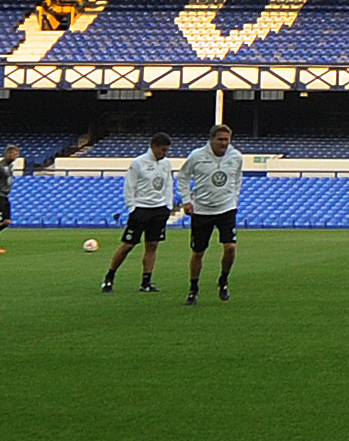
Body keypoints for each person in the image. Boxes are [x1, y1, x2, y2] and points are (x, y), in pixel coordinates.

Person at [179, 125, 245, 306]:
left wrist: (235, 199)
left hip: (226, 208)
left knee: (230, 247)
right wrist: (186, 200)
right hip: (202, 210)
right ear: (211, 139)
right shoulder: (197, 156)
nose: (224, 143)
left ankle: (223, 280)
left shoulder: (236, 157)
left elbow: (238, 179)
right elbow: (183, 177)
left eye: (227, 139)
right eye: (220, 139)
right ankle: (193, 288)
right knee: (198, 252)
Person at [103, 132, 173, 292]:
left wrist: (167, 206)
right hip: (141, 209)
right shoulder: (138, 163)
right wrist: (132, 208)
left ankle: (146, 281)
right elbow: (129, 187)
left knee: (152, 245)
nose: (165, 153)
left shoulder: (166, 164)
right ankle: (110, 276)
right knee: (128, 245)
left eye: (167, 150)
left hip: (159, 209)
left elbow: (168, 185)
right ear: (154, 147)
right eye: (163, 150)